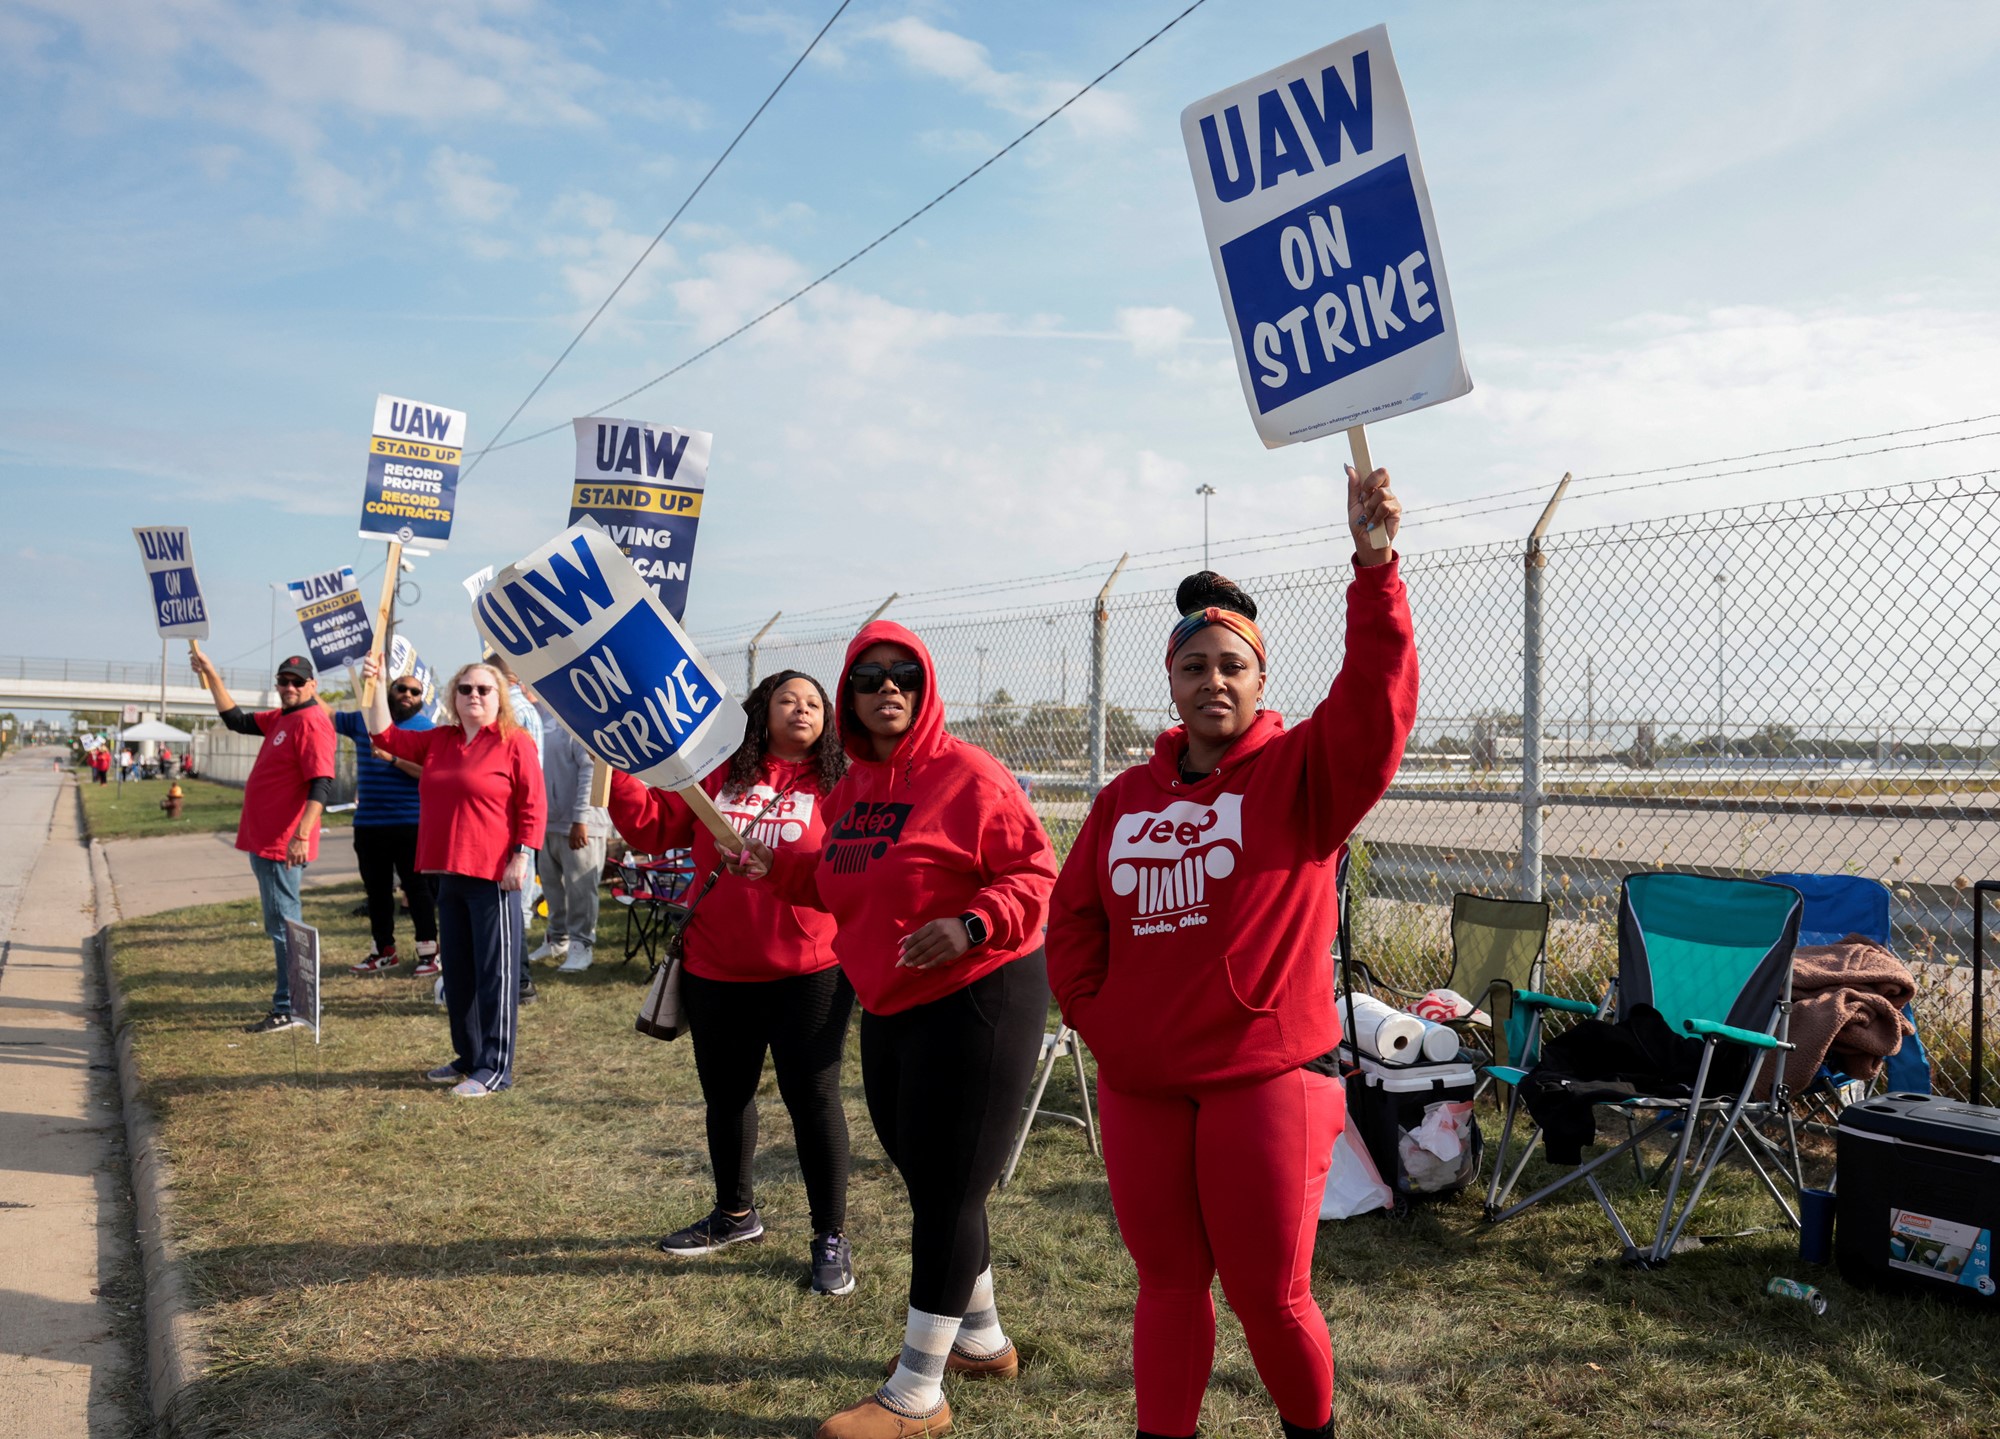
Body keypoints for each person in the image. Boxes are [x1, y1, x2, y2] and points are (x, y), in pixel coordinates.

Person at [1045, 466, 1417, 1439]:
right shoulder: (1127, 797)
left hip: (1264, 1080)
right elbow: (1072, 913)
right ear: (1169, 681)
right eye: (1193, 665)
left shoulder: (1300, 777)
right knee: (1166, 1284)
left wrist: (1373, 568)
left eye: (1230, 665)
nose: (1212, 679)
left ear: (1258, 682)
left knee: (1268, 1295)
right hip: (1142, 1083)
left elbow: (1375, 707)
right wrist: (1098, 1014)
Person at [729, 626, 1057, 1439]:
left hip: (981, 988)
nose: (887, 688)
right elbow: (833, 875)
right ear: (850, 694)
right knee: (931, 1176)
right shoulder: (850, 791)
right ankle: (981, 1337)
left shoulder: (968, 773)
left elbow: (1039, 873)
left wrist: (974, 922)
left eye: (904, 675)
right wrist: (773, 868)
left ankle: (919, 1389)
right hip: (890, 999)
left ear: (925, 685)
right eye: (870, 676)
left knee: (947, 1187)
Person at [605, 670, 855, 1295]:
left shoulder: (843, 786)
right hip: (716, 967)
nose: (801, 709)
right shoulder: (717, 777)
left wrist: (785, 865)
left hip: (811, 970)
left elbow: (854, 867)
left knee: (814, 1101)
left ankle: (830, 1235)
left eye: (813, 703)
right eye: (787, 700)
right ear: (759, 711)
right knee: (727, 1096)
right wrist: (613, 771)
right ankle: (735, 1214)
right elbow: (650, 830)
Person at [360, 655, 544, 1096]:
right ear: (453, 697)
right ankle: (468, 1057)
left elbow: (533, 803)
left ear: (500, 697)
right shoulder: (439, 740)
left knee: (493, 973)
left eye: (484, 690)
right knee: (458, 973)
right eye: (466, 690)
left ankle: (495, 1067)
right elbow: (385, 735)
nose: (474, 696)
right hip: (446, 871)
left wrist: (521, 856)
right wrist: (376, 682)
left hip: (494, 874)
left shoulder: (514, 742)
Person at [189, 646, 339, 1034]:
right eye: (283, 681)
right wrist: (211, 673)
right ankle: (295, 1003)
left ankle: (290, 1007)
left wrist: (302, 835)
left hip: (283, 843)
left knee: (284, 926)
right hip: (266, 841)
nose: (288, 687)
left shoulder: (311, 721)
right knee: (283, 924)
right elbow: (236, 720)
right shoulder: (283, 718)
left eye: (296, 682)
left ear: (312, 685)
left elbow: (321, 784)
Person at [334, 672, 440, 977]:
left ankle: (429, 952)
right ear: (389, 691)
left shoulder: (426, 729)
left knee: (417, 890)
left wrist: (392, 758)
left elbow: (428, 774)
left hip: (411, 823)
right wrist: (308, 686)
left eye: (415, 692)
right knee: (377, 891)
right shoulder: (362, 720)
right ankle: (383, 951)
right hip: (368, 824)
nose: (407, 694)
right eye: (401, 688)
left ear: (421, 699)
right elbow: (324, 715)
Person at [528, 693, 609, 973]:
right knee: (551, 886)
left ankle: (581, 945)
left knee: (580, 890)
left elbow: (590, 769)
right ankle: (558, 938)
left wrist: (581, 818)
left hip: (580, 824)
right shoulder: (537, 718)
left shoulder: (578, 718)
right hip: (548, 822)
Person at [485, 653, 545, 1004]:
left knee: (510, 903)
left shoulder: (513, 714)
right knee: (513, 902)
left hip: (511, 822)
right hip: (519, 820)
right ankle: (516, 980)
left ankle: (518, 981)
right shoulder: (524, 711)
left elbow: (521, 778)